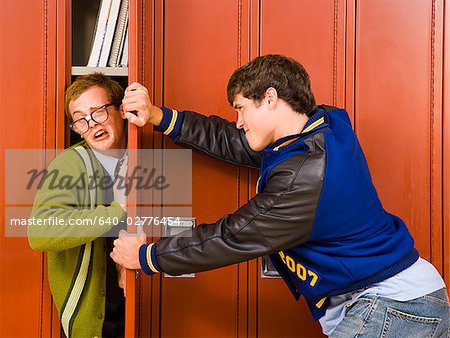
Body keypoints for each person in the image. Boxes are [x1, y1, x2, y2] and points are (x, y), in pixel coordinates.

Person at [112, 55, 449, 337]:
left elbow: (233, 236)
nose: (239, 121)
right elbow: (238, 142)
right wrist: (159, 117)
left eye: (241, 109)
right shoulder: (320, 127)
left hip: (395, 305)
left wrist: (146, 257)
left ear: (270, 98)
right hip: (401, 301)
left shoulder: (304, 177)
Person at [28, 73, 139, 338]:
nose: (91, 125)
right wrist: (117, 209)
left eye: (98, 112)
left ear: (120, 109)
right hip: (95, 317)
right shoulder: (70, 165)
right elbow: (40, 232)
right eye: (80, 119)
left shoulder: (144, 154)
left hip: (141, 298)